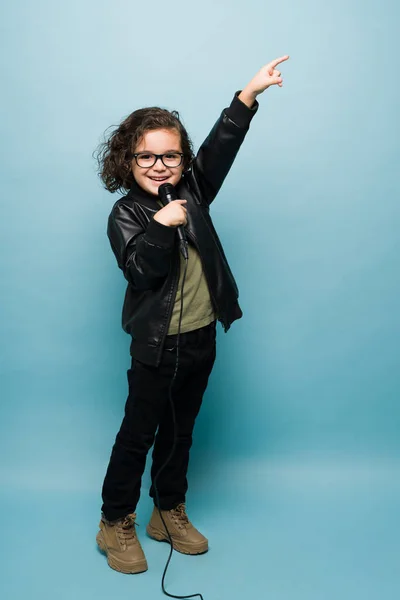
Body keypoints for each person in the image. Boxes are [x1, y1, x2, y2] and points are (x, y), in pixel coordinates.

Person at [94, 56, 289, 574]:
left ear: (182, 160)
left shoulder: (193, 192)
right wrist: (161, 224)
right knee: (138, 435)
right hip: (157, 347)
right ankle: (115, 521)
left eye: (171, 156)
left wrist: (247, 97)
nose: (159, 166)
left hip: (201, 337)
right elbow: (140, 271)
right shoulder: (126, 214)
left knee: (182, 432)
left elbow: (220, 151)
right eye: (147, 157)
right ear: (127, 161)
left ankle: (166, 510)